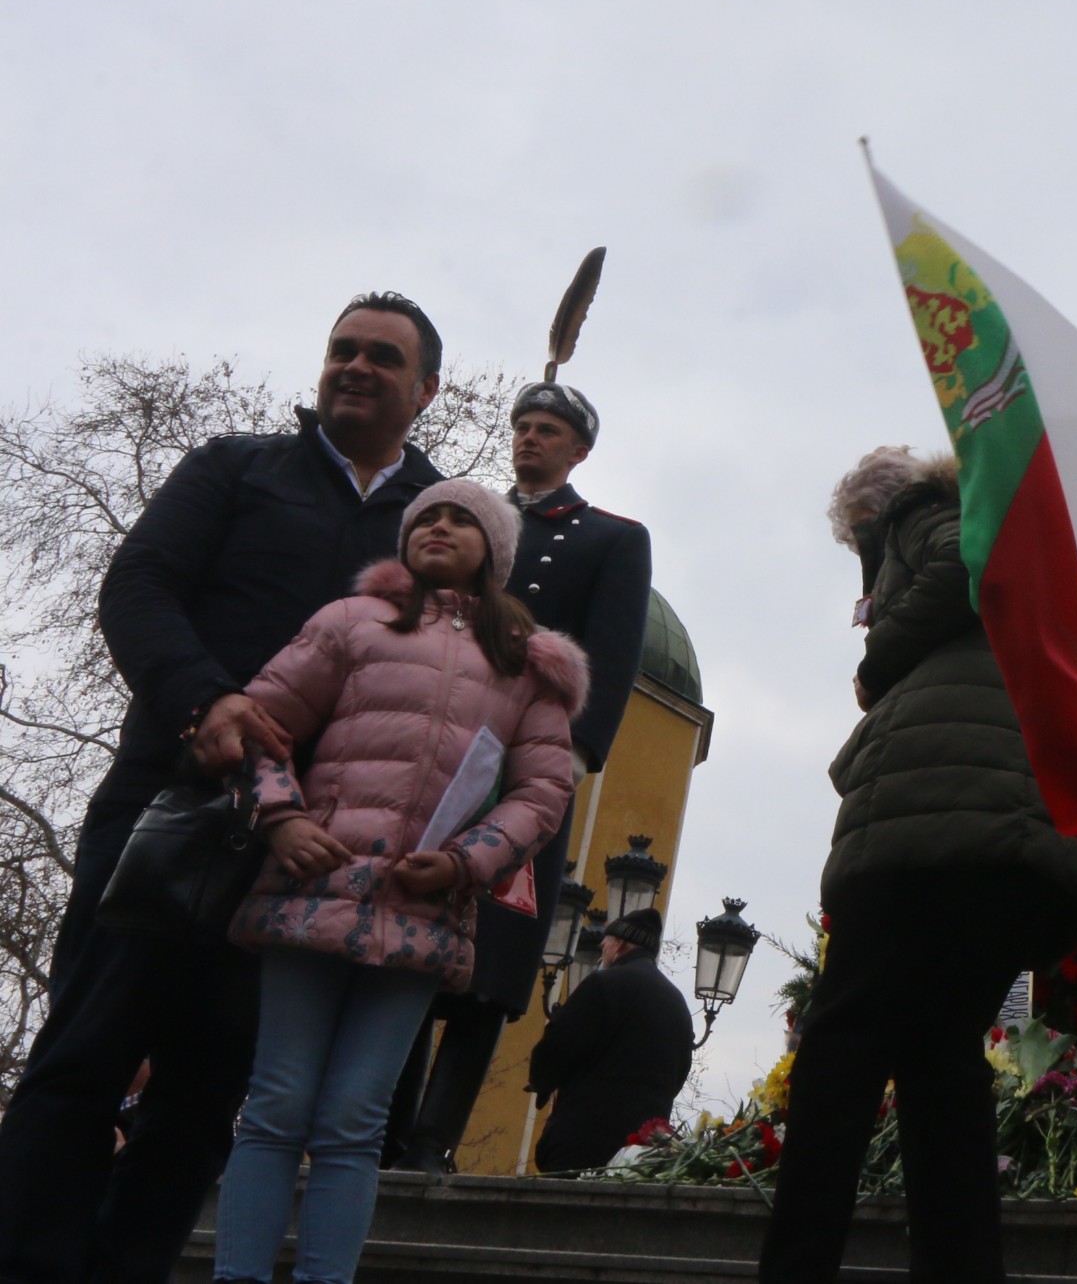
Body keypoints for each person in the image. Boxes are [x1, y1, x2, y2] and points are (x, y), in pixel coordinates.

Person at [0, 293, 446, 1284]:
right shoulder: (234, 467)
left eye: (382, 355)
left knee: (208, 1094)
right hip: (170, 809)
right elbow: (138, 586)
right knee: (83, 1058)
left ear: (426, 390)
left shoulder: (441, 525)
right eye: (341, 348)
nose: (355, 365)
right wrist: (205, 701)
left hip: (310, 851)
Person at [211, 479, 581, 1284]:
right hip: (314, 886)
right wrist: (281, 819)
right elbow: (262, 727)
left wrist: (466, 861)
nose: (438, 527)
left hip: (424, 909)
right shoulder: (350, 622)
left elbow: (544, 793)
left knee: (354, 1120)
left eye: (461, 520)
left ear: (495, 551)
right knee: (276, 1105)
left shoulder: (528, 665)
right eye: (426, 517)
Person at [758, 447, 1077, 1283]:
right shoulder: (1033, 558)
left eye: (857, 539)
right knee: (939, 1056)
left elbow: (960, 567)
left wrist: (876, 660)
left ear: (869, 517)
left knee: (842, 1044)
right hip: (1018, 829)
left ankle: (797, 1265)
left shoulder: (919, 514)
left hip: (934, 815)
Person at [386, 378, 651, 1173]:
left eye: (548, 429)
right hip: (440, 752)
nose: (529, 438)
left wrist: (573, 755)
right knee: (406, 938)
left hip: (526, 765)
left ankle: (431, 1140)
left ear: (579, 450)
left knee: (494, 962)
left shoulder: (611, 538)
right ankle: (383, 1129)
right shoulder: (469, 525)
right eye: (523, 425)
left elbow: (610, 654)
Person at [525, 908, 694, 1174]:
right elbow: (680, 1072)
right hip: (642, 1153)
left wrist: (542, 1081)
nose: (601, 956)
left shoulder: (603, 984)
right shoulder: (677, 1003)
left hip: (583, 1141)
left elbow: (557, 1045)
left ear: (620, 944)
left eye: (604, 946)